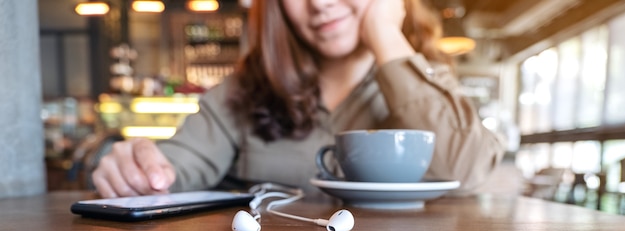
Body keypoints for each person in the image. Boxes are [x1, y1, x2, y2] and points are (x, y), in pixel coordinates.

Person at [92, 0, 506, 198]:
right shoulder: (240, 93)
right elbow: (176, 168)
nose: (321, 4)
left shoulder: (426, 84)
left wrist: (383, 30)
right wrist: (138, 170)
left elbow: (465, 167)